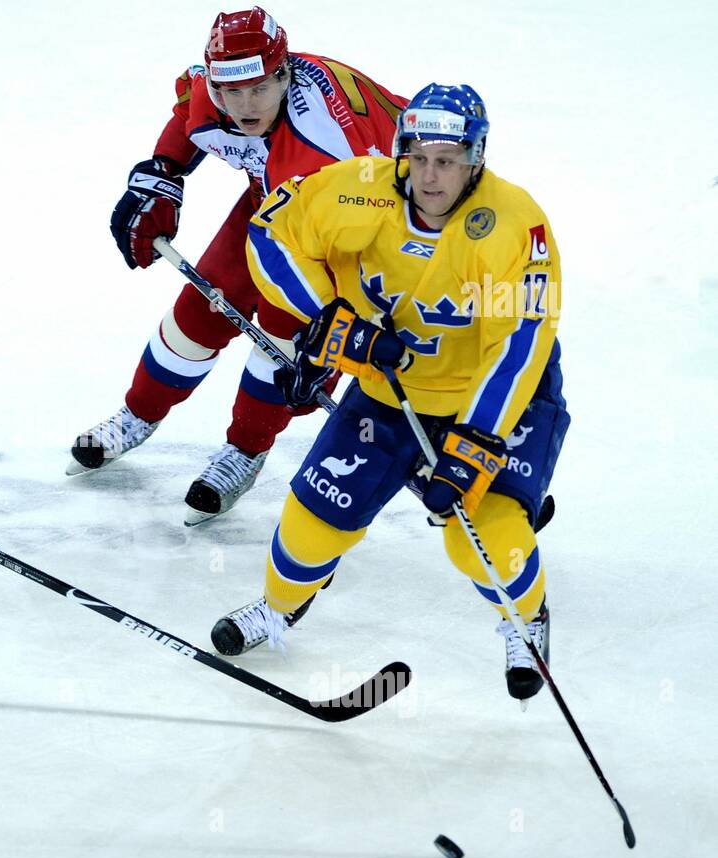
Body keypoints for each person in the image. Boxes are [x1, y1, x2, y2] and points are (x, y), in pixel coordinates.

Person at [212, 83, 569, 701]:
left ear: (476, 158)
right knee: (311, 522)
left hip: (497, 397)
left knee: (480, 535)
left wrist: (476, 442)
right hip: (388, 395)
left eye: (449, 161)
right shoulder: (356, 187)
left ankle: (528, 619)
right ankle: (278, 608)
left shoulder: (514, 224)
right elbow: (269, 235)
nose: (431, 177)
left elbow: (521, 344)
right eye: (420, 157)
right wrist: (328, 319)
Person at [68, 7, 407, 526]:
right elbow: (189, 120)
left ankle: (246, 449)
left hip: (361, 225)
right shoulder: (219, 87)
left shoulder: (330, 145)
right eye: (231, 92)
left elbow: (373, 244)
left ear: (283, 73)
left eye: (257, 90)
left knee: (291, 341)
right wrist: (162, 175)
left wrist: (339, 330)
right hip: (277, 200)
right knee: (200, 311)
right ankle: (137, 414)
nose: (243, 106)